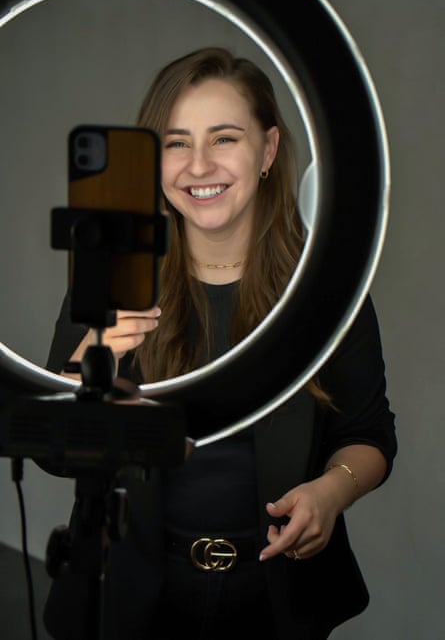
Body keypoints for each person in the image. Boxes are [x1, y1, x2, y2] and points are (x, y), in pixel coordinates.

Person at [43, 47, 397, 640]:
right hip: (125, 600)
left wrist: (332, 491)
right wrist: (88, 368)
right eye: (177, 142)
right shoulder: (112, 282)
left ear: (269, 151)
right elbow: (52, 454)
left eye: (225, 138)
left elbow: (369, 436)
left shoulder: (330, 291)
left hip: (277, 600)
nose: (198, 165)